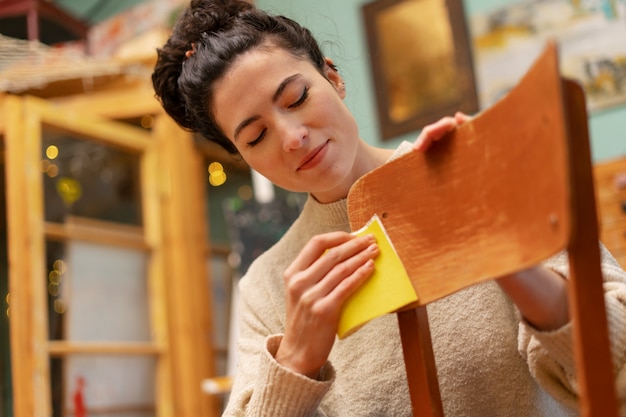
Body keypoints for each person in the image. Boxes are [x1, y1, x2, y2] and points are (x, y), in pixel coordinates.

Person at [152, 1, 626, 415]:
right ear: (242, 156)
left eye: (296, 98)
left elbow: (618, 372)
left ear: (332, 76)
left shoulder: (478, 173)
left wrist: (500, 251)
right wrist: (296, 361)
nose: (293, 138)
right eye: (256, 137)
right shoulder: (270, 287)